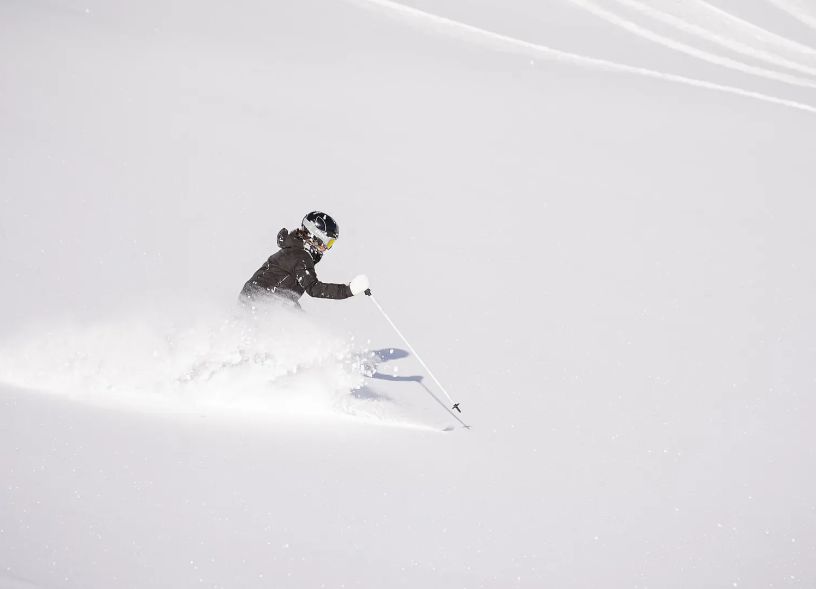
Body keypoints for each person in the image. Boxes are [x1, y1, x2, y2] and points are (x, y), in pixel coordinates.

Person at [240, 211, 369, 307]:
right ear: (315, 236)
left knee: (298, 320)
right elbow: (314, 289)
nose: (327, 248)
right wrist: (349, 290)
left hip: (260, 299)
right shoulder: (301, 256)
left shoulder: (295, 251)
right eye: (328, 243)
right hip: (259, 302)